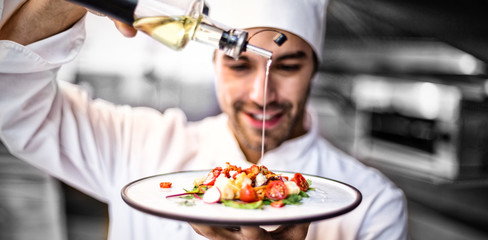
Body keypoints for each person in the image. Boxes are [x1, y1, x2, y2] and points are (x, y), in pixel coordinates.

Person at [0, 0, 408, 239]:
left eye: (286, 67)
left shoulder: (372, 203)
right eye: (239, 67)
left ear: (313, 71)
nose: (261, 95)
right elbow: (13, 102)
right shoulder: (138, 144)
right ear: (215, 63)